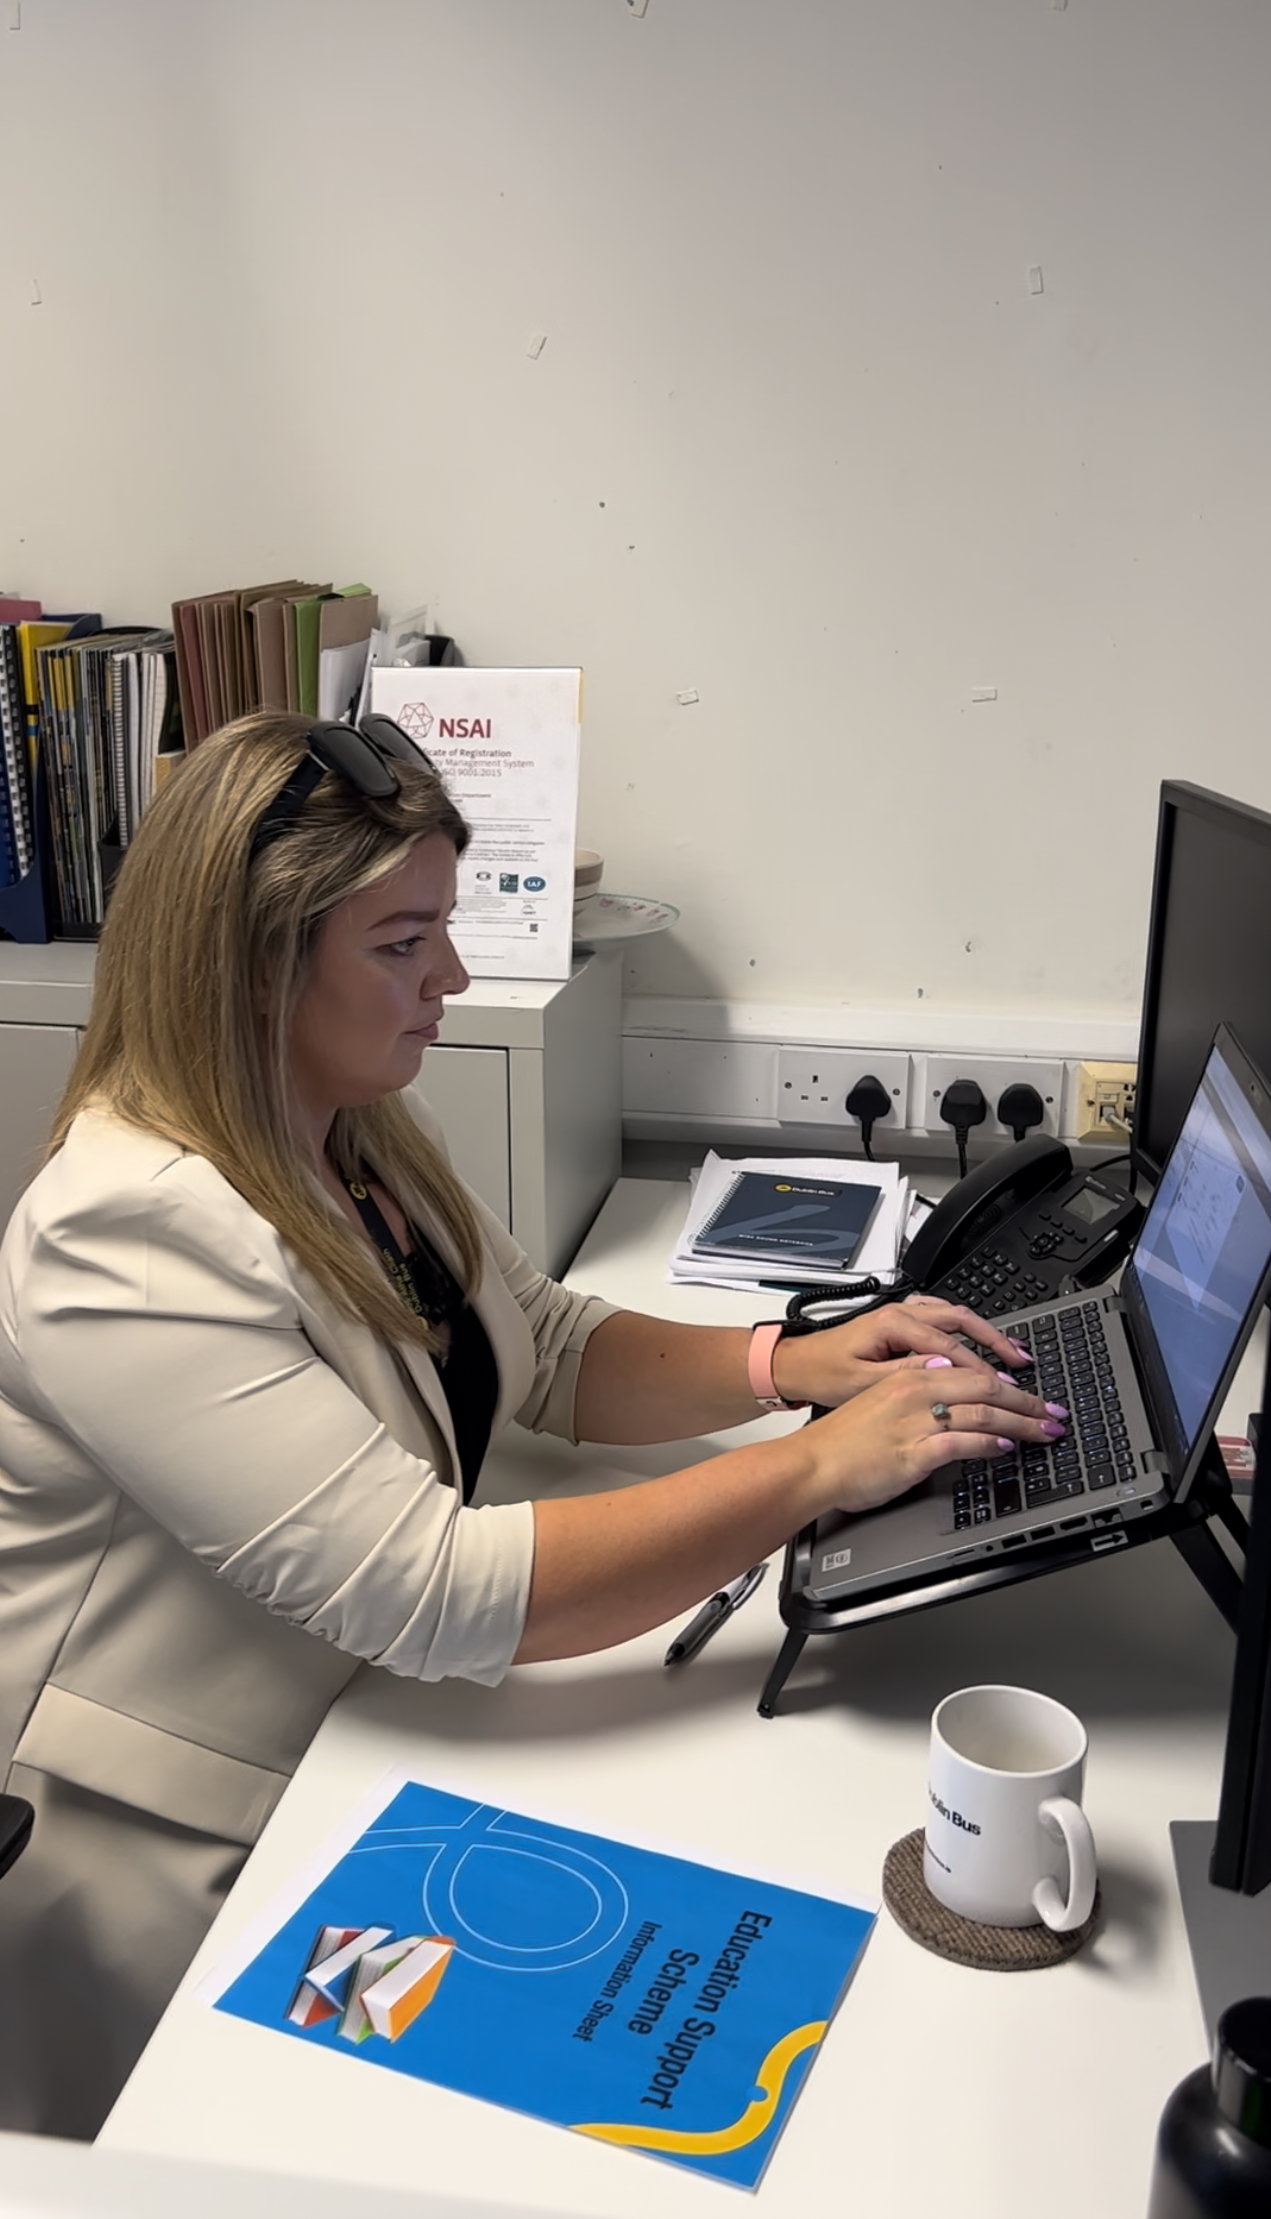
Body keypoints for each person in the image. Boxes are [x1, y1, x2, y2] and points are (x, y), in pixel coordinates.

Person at [0, 711, 1057, 2138]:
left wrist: (789, 1364)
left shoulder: (339, 1122)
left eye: (443, 927)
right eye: (401, 944)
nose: (451, 975)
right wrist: (813, 1474)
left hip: (376, 1728)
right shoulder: (124, 1232)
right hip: (184, 1847)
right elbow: (431, 1590)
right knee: (495, 2124)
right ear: (254, 966)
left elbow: (546, 1345)